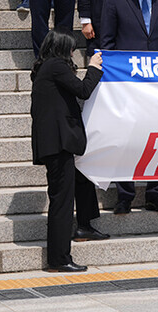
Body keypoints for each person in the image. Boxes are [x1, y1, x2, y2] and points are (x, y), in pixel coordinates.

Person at [99, 0, 158, 214]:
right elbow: (107, 43)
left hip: (157, 83)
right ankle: (125, 193)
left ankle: (155, 192)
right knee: (127, 138)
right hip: (125, 83)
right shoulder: (114, 0)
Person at [31, 30, 107, 273]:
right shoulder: (55, 66)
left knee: (81, 181)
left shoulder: (46, 68)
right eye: (71, 49)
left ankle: (84, 224)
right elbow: (83, 90)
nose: (73, 53)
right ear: (62, 49)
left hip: (59, 143)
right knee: (62, 202)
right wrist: (94, 67)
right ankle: (59, 258)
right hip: (58, 144)